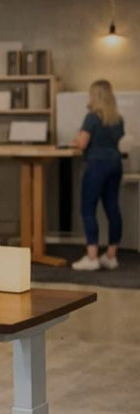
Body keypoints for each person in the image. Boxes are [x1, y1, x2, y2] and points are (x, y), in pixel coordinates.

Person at [71, 80, 126, 271]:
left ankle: (92, 257)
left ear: (94, 96)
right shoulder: (118, 119)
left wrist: (77, 138)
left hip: (96, 166)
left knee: (88, 209)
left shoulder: (92, 117)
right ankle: (111, 256)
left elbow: (82, 143)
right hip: (115, 165)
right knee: (112, 208)